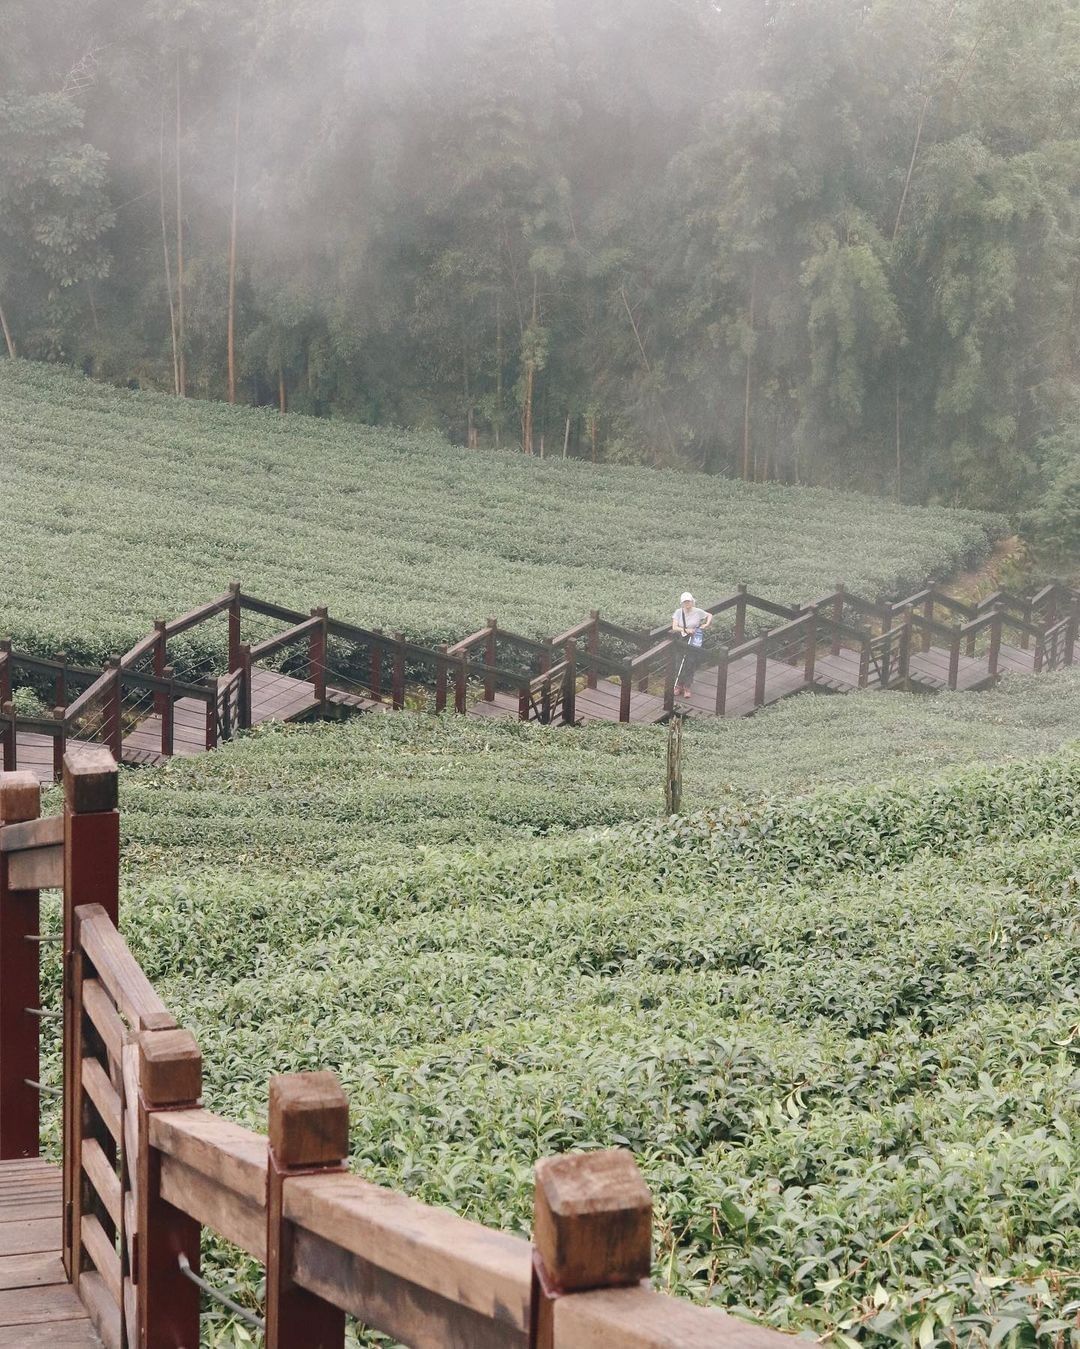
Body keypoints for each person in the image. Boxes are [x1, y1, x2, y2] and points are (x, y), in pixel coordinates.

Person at [671, 592, 712, 697]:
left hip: (693, 640)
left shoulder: (698, 611)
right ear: (682, 603)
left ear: (692, 601)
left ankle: (687, 687)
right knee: (679, 663)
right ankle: (678, 685)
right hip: (682, 639)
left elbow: (709, 615)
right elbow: (674, 627)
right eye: (685, 601)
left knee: (690, 662)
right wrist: (686, 630)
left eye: (688, 601)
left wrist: (706, 624)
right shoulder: (678, 612)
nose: (687, 603)